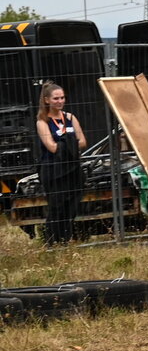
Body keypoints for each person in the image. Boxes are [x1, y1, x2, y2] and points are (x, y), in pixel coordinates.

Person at [35, 82, 86, 245]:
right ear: (47, 100)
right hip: (54, 170)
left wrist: (65, 145)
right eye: (56, 98)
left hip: (72, 168)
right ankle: (52, 240)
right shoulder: (42, 121)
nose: (60, 101)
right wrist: (70, 144)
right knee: (57, 205)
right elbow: (51, 146)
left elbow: (83, 141)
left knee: (72, 204)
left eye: (62, 97)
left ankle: (67, 238)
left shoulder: (70, 117)